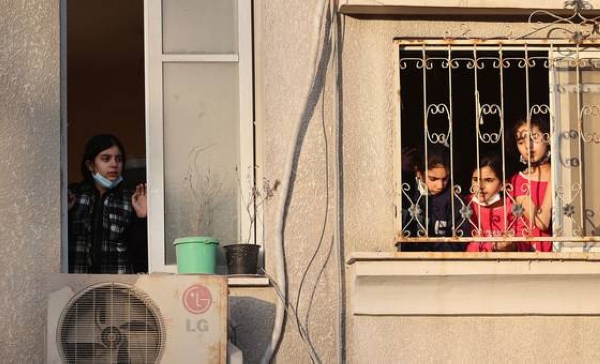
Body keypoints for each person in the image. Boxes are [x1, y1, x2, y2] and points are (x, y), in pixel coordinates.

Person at [68, 134, 148, 273]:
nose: (114, 164)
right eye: (106, 159)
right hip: (74, 288)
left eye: (119, 159)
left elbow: (141, 253)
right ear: (91, 165)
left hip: (117, 288)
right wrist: (63, 213)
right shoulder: (72, 195)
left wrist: (142, 217)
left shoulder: (130, 199)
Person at [398, 144, 468, 252]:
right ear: (418, 172)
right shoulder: (404, 194)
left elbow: (460, 242)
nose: (440, 185)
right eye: (433, 179)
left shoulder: (455, 200)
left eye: (445, 178)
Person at [509, 117, 553, 252]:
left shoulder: (568, 175)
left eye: (534, 137)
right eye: (521, 142)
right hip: (536, 253)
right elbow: (541, 222)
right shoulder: (518, 181)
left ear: (547, 137)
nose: (528, 146)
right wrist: (555, 175)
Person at [465, 154, 516, 252]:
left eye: (488, 180)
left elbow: (524, 242)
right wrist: (493, 246)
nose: (480, 186)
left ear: (503, 184)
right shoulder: (466, 205)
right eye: (475, 180)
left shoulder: (513, 207)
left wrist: (511, 246)